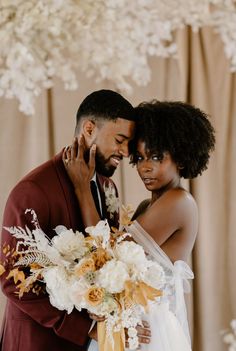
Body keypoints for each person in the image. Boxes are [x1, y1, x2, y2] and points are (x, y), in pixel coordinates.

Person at [0, 89, 151, 351]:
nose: (126, 152)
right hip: (38, 343)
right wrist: (88, 329)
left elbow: (108, 262)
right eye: (119, 140)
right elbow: (13, 281)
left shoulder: (108, 189)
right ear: (89, 128)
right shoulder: (34, 190)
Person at [63, 100, 215, 350]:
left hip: (149, 329)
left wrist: (82, 188)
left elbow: (109, 256)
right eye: (140, 157)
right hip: (133, 321)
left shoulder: (179, 201)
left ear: (182, 158)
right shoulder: (148, 206)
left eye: (156, 157)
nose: (145, 167)